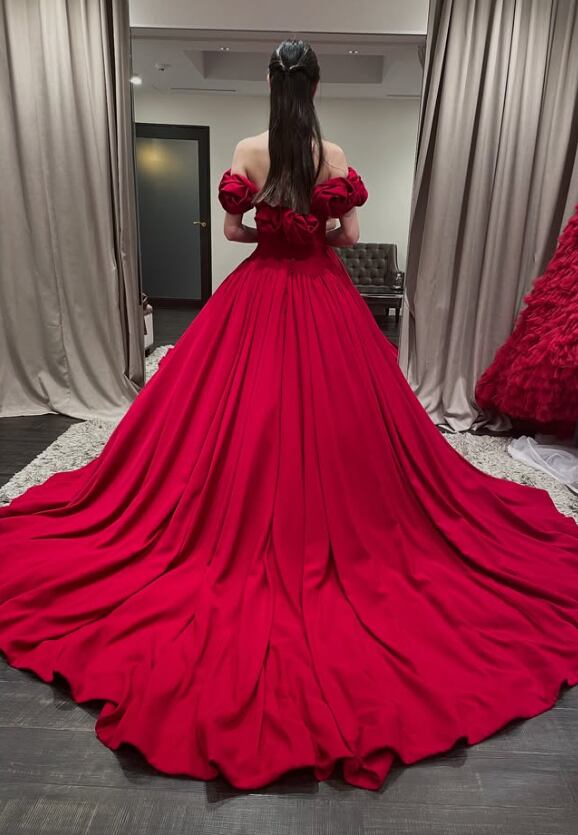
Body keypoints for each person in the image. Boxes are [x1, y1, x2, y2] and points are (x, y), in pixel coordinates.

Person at [0, 38, 577, 792]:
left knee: (224, 415)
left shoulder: (248, 149)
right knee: (352, 425)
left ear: (272, 84)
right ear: (315, 86)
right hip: (324, 296)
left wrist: (271, 230)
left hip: (257, 293)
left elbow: (234, 232)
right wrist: (317, 231)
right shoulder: (330, 155)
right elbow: (350, 238)